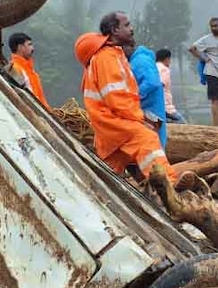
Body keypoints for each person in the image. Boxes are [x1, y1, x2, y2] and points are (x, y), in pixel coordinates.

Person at [74, 12, 177, 183]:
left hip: (108, 124)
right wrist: (140, 119)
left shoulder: (110, 56)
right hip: (115, 122)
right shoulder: (107, 57)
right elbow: (117, 98)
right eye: (127, 25)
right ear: (115, 30)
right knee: (148, 140)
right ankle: (170, 188)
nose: (131, 29)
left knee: (109, 172)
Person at [188, 17, 218, 127]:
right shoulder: (207, 39)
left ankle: (217, 123)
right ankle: (215, 127)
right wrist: (204, 58)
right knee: (215, 100)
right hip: (212, 72)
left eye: (215, 25)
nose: (213, 28)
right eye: (211, 26)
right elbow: (192, 49)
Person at [125, 43, 168, 147]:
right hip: (150, 111)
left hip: (151, 113)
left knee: (153, 147)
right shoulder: (138, 60)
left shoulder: (140, 60)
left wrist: (133, 97)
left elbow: (152, 82)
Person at [6, 32, 50, 110]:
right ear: (20, 47)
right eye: (29, 44)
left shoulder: (30, 70)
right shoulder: (15, 70)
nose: (32, 48)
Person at [156, 49, 186, 124]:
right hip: (166, 107)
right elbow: (160, 85)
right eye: (169, 59)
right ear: (166, 58)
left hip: (156, 106)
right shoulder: (164, 70)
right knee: (182, 123)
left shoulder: (154, 67)